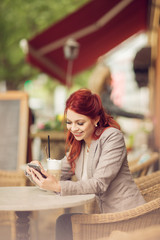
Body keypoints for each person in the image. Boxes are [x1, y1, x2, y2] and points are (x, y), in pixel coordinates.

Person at [26, 89, 145, 240]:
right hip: (102, 215)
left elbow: (99, 184)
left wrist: (58, 186)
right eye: (69, 122)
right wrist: (37, 170)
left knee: (64, 222)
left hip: (126, 216)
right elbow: (58, 173)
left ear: (95, 119)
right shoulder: (79, 145)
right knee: (64, 221)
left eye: (80, 123)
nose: (73, 128)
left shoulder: (112, 137)